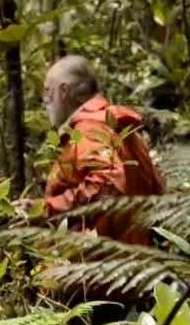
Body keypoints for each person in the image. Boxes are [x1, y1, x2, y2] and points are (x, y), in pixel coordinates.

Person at [41, 55, 167, 247]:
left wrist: (47, 210)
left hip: (98, 262)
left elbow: (108, 183)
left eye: (48, 91)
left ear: (64, 91)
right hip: (134, 262)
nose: (45, 100)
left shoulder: (90, 129)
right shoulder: (121, 129)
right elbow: (158, 191)